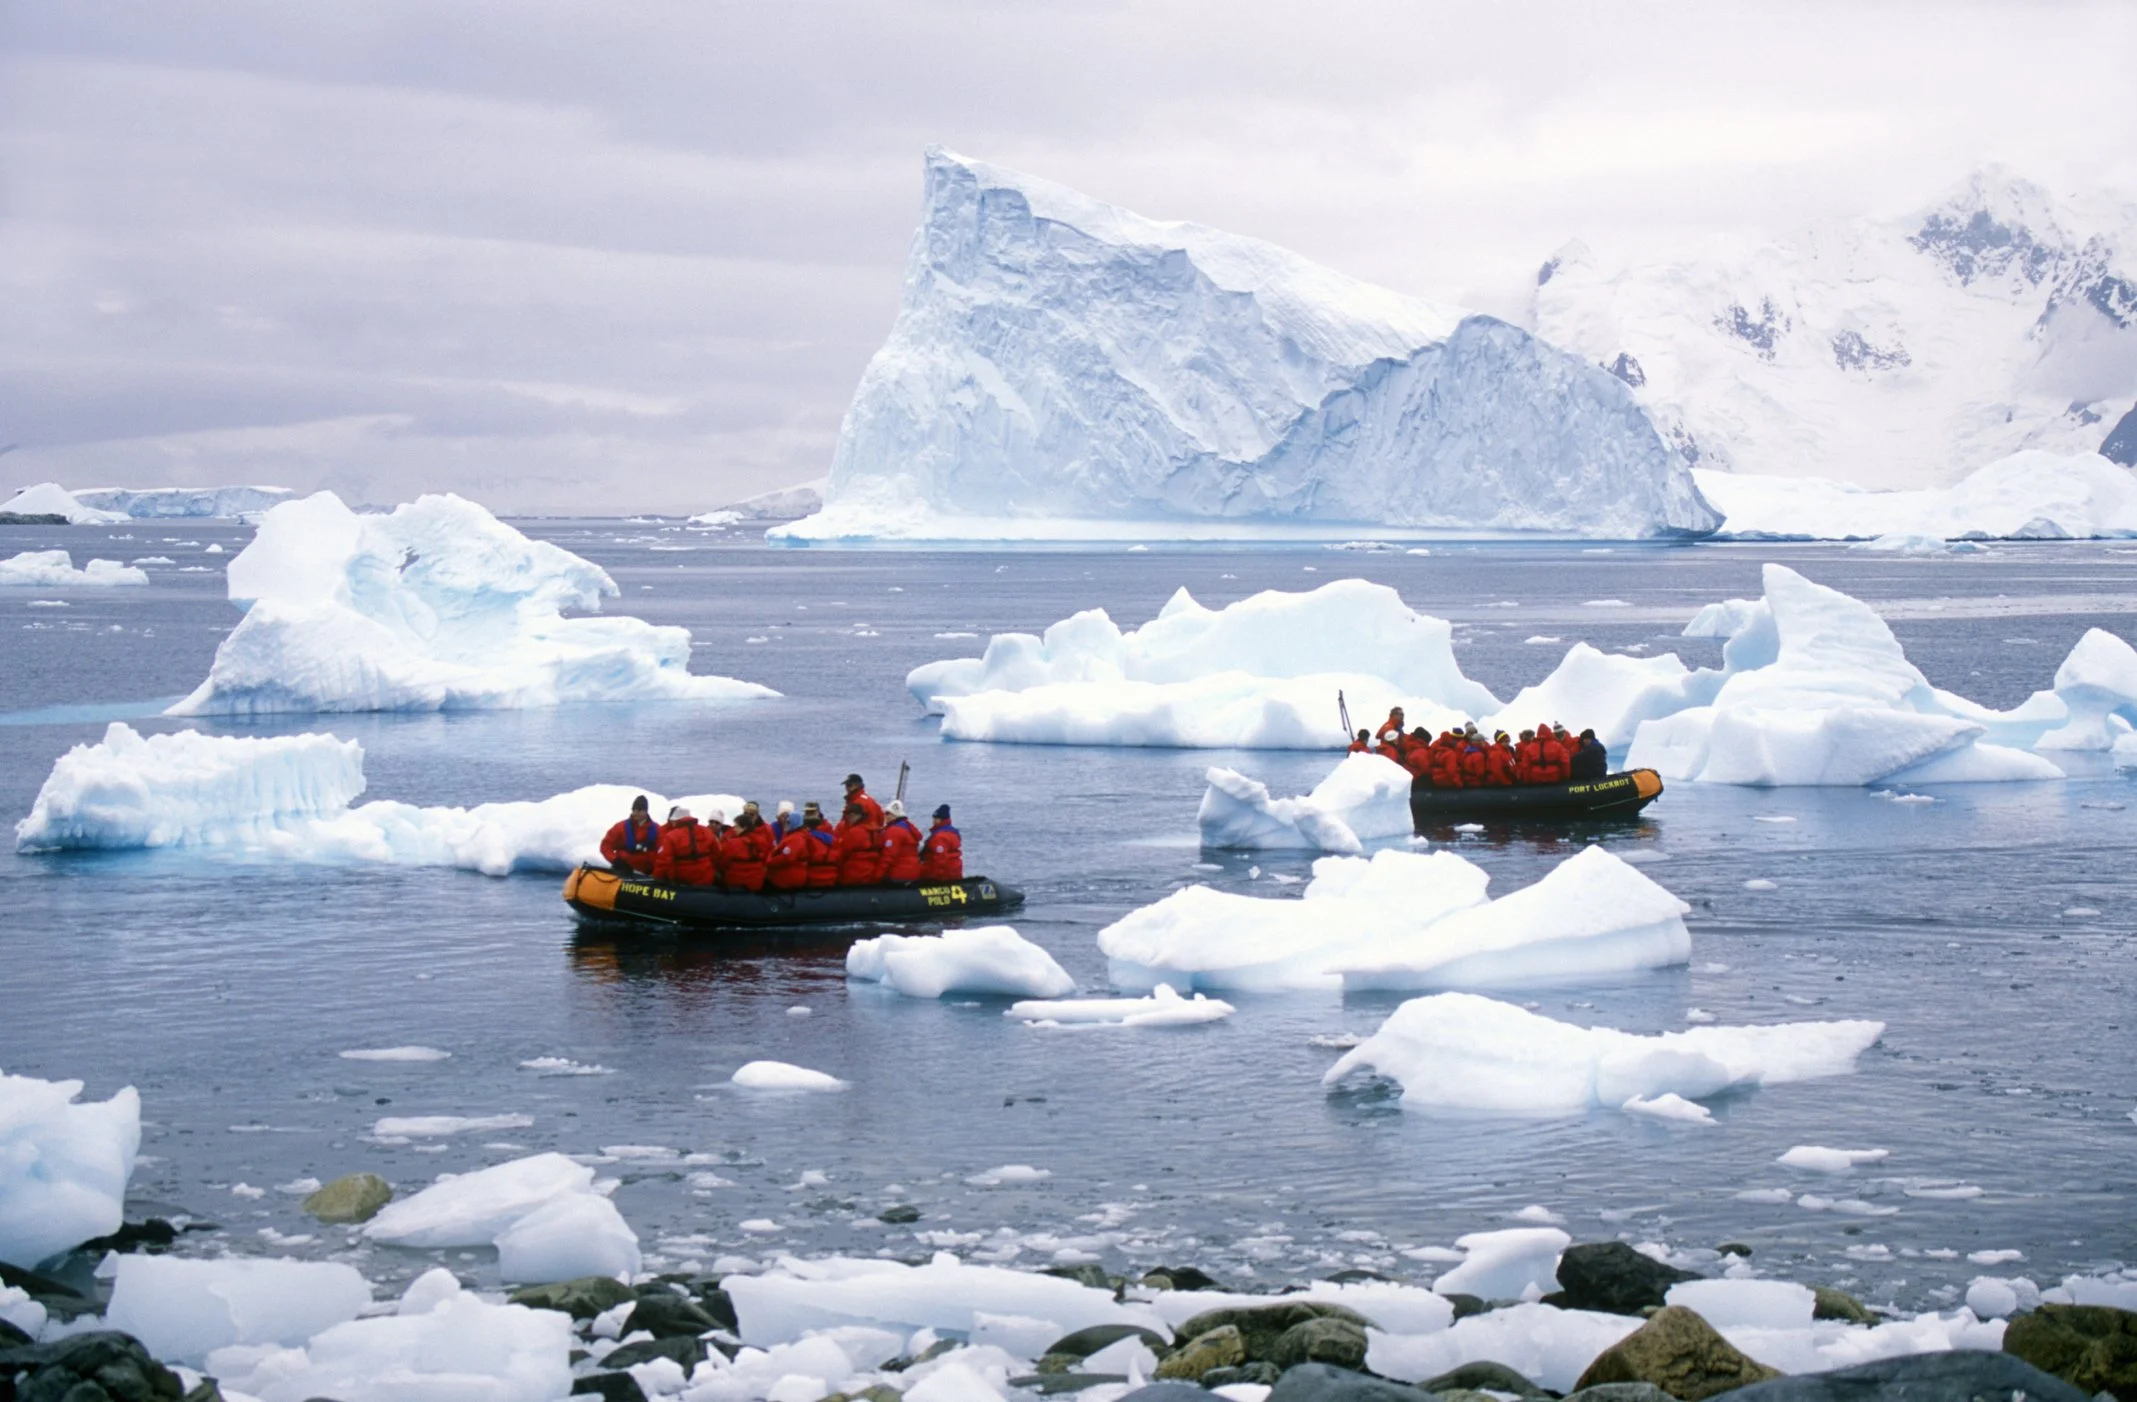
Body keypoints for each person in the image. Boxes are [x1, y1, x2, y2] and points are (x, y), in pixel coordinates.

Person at [651, 806, 717, 886]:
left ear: (677, 821)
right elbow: (716, 855)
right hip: (706, 879)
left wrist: (657, 878)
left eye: (673, 821)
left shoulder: (671, 836)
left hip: (682, 882)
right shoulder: (707, 832)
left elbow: (664, 862)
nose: (672, 823)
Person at [599, 795, 661, 875]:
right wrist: (615, 860)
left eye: (639, 810)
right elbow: (605, 846)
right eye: (633, 809)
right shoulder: (620, 827)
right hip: (624, 870)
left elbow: (662, 852)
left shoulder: (657, 829)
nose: (635, 812)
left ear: (646, 811)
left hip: (647, 873)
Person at [834, 802, 882, 886]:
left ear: (853, 815)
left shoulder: (854, 832)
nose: (847, 819)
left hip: (855, 873)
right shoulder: (876, 830)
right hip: (872, 872)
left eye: (848, 815)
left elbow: (842, 853)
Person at [720, 809, 768, 892]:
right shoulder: (761, 841)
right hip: (757, 882)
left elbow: (723, 862)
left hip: (737, 883)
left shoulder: (733, 843)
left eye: (736, 826)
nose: (734, 829)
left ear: (744, 827)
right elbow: (765, 858)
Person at [766, 813, 815, 891]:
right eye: (785, 821)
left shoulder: (796, 839)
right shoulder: (793, 836)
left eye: (788, 822)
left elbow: (786, 858)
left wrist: (769, 861)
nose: (785, 824)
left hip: (789, 876)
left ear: (795, 824)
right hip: (788, 873)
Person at [878, 800, 923, 884]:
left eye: (888, 813)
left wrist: (878, 874)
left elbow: (888, 856)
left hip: (898, 874)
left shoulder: (894, 831)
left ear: (894, 815)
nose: (885, 816)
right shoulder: (908, 828)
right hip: (913, 873)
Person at [801, 802, 840, 888]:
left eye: (812, 812)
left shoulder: (826, 827)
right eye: (807, 812)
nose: (809, 815)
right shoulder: (804, 830)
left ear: (818, 812)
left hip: (820, 865)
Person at [920, 804, 962, 882]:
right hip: (954, 871)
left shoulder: (940, 837)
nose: (934, 821)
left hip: (942, 875)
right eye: (934, 818)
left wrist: (936, 877)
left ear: (942, 820)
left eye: (937, 818)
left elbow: (940, 859)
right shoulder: (953, 833)